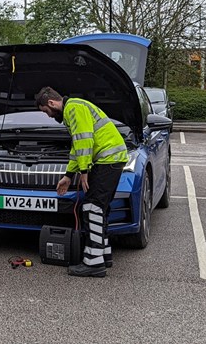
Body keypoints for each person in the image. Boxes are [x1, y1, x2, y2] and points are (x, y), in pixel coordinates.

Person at [35, 86, 128, 277]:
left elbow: (85, 141)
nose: (48, 116)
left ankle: (94, 264)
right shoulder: (73, 110)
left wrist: (84, 171)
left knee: (92, 207)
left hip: (107, 160)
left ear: (51, 103)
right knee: (99, 208)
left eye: (46, 111)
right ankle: (103, 255)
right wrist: (69, 176)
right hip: (110, 160)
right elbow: (77, 148)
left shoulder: (74, 108)